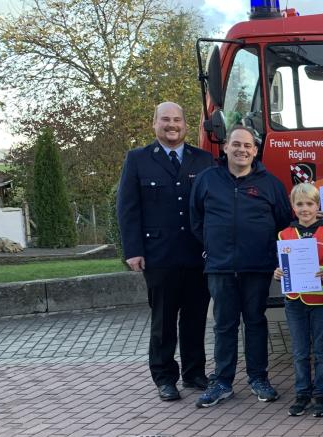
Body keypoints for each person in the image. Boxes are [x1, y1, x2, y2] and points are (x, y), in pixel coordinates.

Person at [117, 102, 214, 402]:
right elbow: (128, 208)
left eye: (177, 120)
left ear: (185, 125)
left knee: (196, 318)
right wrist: (133, 250)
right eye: (165, 120)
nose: (172, 125)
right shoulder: (138, 159)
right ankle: (164, 377)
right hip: (159, 255)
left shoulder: (204, 160)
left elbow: (213, 207)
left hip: (197, 253)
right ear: (154, 124)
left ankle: (195, 372)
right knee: (163, 319)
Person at [190, 125, 293, 408]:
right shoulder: (207, 180)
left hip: (258, 267)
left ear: (255, 150)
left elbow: (283, 223)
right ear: (225, 148)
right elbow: (196, 220)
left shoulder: (270, 184)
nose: (242, 150)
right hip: (220, 267)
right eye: (236, 144)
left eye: (248, 146)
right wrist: (214, 246)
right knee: (224, 325)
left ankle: (259, 378)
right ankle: (222, 382)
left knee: (256, 323)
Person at [273, 183, 323, 418]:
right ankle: (302, 393)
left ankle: (321, 395)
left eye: (310, 204)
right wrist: (278, 272)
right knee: (300, 351)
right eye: (299, 204)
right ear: (293, 206)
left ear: (317, 205)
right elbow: (281, 266)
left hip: (322, 300)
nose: (305, 208)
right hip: (295, 300)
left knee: (322, 351)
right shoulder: (284, 234)